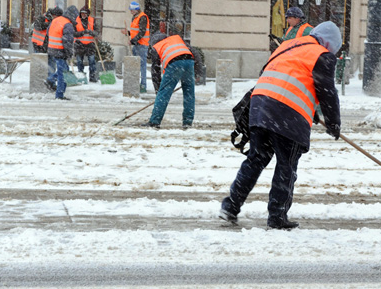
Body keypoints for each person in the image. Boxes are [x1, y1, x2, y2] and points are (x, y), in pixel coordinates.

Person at [220, 21, 342, 230]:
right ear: (330, 44)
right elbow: (327, 91)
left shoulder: (288, 46)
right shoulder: (322, 55)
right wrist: (333, 123)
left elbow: (282, 76)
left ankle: (230, 206)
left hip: (260, 107)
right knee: (286, 165)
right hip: (287, 113)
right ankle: (277, 216)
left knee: (256, 159)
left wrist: (308, 107)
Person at [141, 32, 195, 129]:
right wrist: (198, 72)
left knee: (164, 94)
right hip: (189, 61)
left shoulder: (156, 46)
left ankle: (155, 121)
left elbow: (155, 71)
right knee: (189, 93)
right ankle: (187, 121)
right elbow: (194, 52)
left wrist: (158, 91)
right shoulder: (176, 39)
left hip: (175, 63)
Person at [46, 5, 79, 100]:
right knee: (62, 74)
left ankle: (50, 79)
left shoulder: (56, 20)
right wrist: (69, 53)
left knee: (64, 69)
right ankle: (59, 95)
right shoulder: (67, 24)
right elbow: (67, 41)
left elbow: (48, 32)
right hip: (60, 50)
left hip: (52, 48)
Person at [128, 1, 150, 93]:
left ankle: (143, 85)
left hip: (142, 45)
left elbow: (142, 32)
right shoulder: (135, 17)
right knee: (137, 65)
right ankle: (136, 83)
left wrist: (132, 41)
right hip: (137, 44)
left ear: (136, 10)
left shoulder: (142, 17)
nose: (131, 12)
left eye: (132, 10)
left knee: (142, 65)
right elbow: (135, 31)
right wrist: (128, 33)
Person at [74, 5, 98, 83]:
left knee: (92, 61)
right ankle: (81, 76)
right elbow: (73, 33)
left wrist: (92, 33)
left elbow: (97, 32)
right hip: (79, 44)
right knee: (79, 62)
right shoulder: (76, 21)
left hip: (90, 44)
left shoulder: (92, 21)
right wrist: (82, 33)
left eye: (85, 13)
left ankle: (92, 77)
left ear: (88, 14)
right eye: (82, 13)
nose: (83, 15)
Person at [44, 7, 64, 92]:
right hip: (56, 49)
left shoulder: (53, 22)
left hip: (52, 48)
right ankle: (51, 80)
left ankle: (51, 81)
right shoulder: (56, 23)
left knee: (56, 67)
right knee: (59, 68)